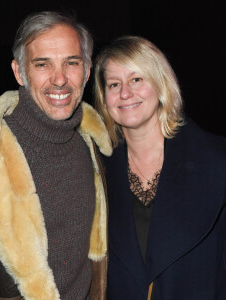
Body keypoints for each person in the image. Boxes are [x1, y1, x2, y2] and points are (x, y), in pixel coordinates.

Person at [0, 11, 112, 300]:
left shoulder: (93, 146)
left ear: (87, 71)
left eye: (71, 63)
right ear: (19, 72)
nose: (60, 79)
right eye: (42, 64)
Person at [94, 35, 226, 300]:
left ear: (161, 84)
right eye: (114, 84)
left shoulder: (216, 160)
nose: (125, 93)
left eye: (136, 79)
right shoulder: (94, 168)